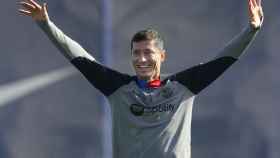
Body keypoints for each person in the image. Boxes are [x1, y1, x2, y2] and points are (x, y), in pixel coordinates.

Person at [18, 0, 264, 158]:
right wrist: (46, 25)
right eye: (136, 53)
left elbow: (222, 60)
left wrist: (251, 30)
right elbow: (80, 58)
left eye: (148, 52)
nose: (142, 59)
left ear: (162, 56)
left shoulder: (183, 86)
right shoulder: (118, 88)